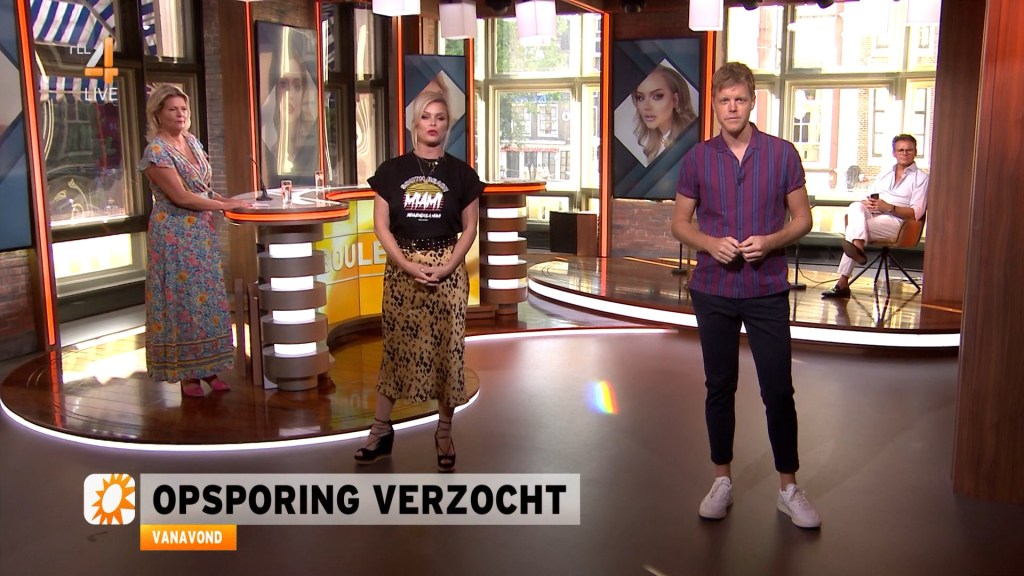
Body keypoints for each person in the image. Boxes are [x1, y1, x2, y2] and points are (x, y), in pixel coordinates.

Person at [671, 62, 821, 529]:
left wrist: (771, 241)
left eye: (739, 99)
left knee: (777, 388)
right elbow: (679, 223)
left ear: (753, 101)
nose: (732, 107)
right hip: (713, 289)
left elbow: (803, 219)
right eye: (724, 100)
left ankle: (789, 488)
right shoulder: (698, 158)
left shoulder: (781, 154)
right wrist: (709, 243)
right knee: (719, 386)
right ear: (714, 105)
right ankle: (722, 480)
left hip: (766, 287)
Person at [354, 90, 482, 473]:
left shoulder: (462, 174)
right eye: (426, 116)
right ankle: (380, 431)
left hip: (448, 269)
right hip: (402, 271)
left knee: (448, 352)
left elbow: (470, 228)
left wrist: (448, 266)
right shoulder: (391, 171)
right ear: (415, 122)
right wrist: (408, 266)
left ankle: (444, 433)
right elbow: (381, 226)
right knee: (396, 350)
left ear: (448, 125)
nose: (432, 123)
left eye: (440, 117)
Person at [140, 85, 248, 398]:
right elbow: (181, 197)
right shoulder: (156, 152)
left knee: (207, 300)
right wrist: (225, 206)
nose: (180, 114)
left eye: (183, 109)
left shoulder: (192, 142)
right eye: (172, 109)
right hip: (174, 234)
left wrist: (227, 201)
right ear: (158, 114)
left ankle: (210, 368)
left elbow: (202, 188)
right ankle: (188, 375)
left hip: (201, 231)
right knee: (183, 301)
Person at [821, 134, 929, 298]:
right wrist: (868, 203)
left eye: (909, 150)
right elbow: (870, 196)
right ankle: (858, 246)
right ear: (894, 153)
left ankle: (843, 280)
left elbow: (916, 213)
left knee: (854, 230)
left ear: (915, 152)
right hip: (875, 213)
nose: (905, 153)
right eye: (901, 150)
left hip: (898, 222)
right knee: (855, 206)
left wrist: (889, 208)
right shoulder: (885, 174)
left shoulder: (921, 178)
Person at [633, 64, 698, 165]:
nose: (646, 106)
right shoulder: (655, 146)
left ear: (675, 100)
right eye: (640, 98)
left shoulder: (693, 142)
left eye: (657, 96)